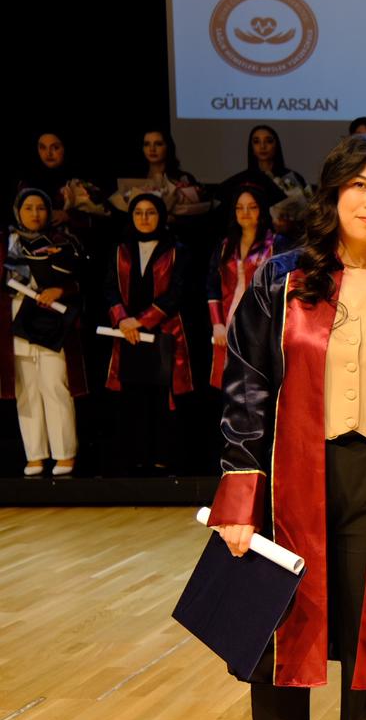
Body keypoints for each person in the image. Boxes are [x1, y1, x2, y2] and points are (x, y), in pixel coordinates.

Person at [207, 134, 366, 720]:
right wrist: (239, 500)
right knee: (279, 626)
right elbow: (247, 388)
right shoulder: (280, 281)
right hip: (292, 474)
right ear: (333, 192)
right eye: (360, 186)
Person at [104, 191, 192, 475]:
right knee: (132, 394)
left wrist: (141, 321)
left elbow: (177, 291)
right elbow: (110, 288)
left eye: (150, 212)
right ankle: (135, 457)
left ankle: (163, 458)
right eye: (138, 213)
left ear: (161, 216)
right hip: (127, 335)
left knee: (162, 396)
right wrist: (122, 321)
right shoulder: (120, 249)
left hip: (162, 333)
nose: (144, 218)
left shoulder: (176, 249)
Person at [5, 188, 88, 476]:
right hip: (16, 320)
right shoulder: (8, 242)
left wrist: (60, 289)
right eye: (28, 208)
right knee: (26, 390)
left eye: (40, 208)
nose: (34, 213)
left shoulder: (64, 241)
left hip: (52, 321)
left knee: (55, 385)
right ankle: (35, 455)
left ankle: (65, 454)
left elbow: (83, 279)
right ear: (18, 211)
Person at [206, 183, 281, 388]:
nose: (245, 213)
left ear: (262, 210)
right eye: (239, 208)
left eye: (252, 207)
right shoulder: (226, 245)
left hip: (261, 319)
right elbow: (213, 285)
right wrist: (217, 324)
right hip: (228, 317)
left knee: (257, 384)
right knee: (230, 383)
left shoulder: (276, 244)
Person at [111, 129, 213, 218]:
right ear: (142, 148)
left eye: (158, 144)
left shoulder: (183, 178)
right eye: (147, 144)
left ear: (168, 147)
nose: (152, 149)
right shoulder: (134, 178)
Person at [223, 124, 309, 210]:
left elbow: (306, 209)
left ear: (276, 146)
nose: (262, 146)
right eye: (256, 142)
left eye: (269, 141)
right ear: (251, 148)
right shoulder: (241, 180)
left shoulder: (292, 178)